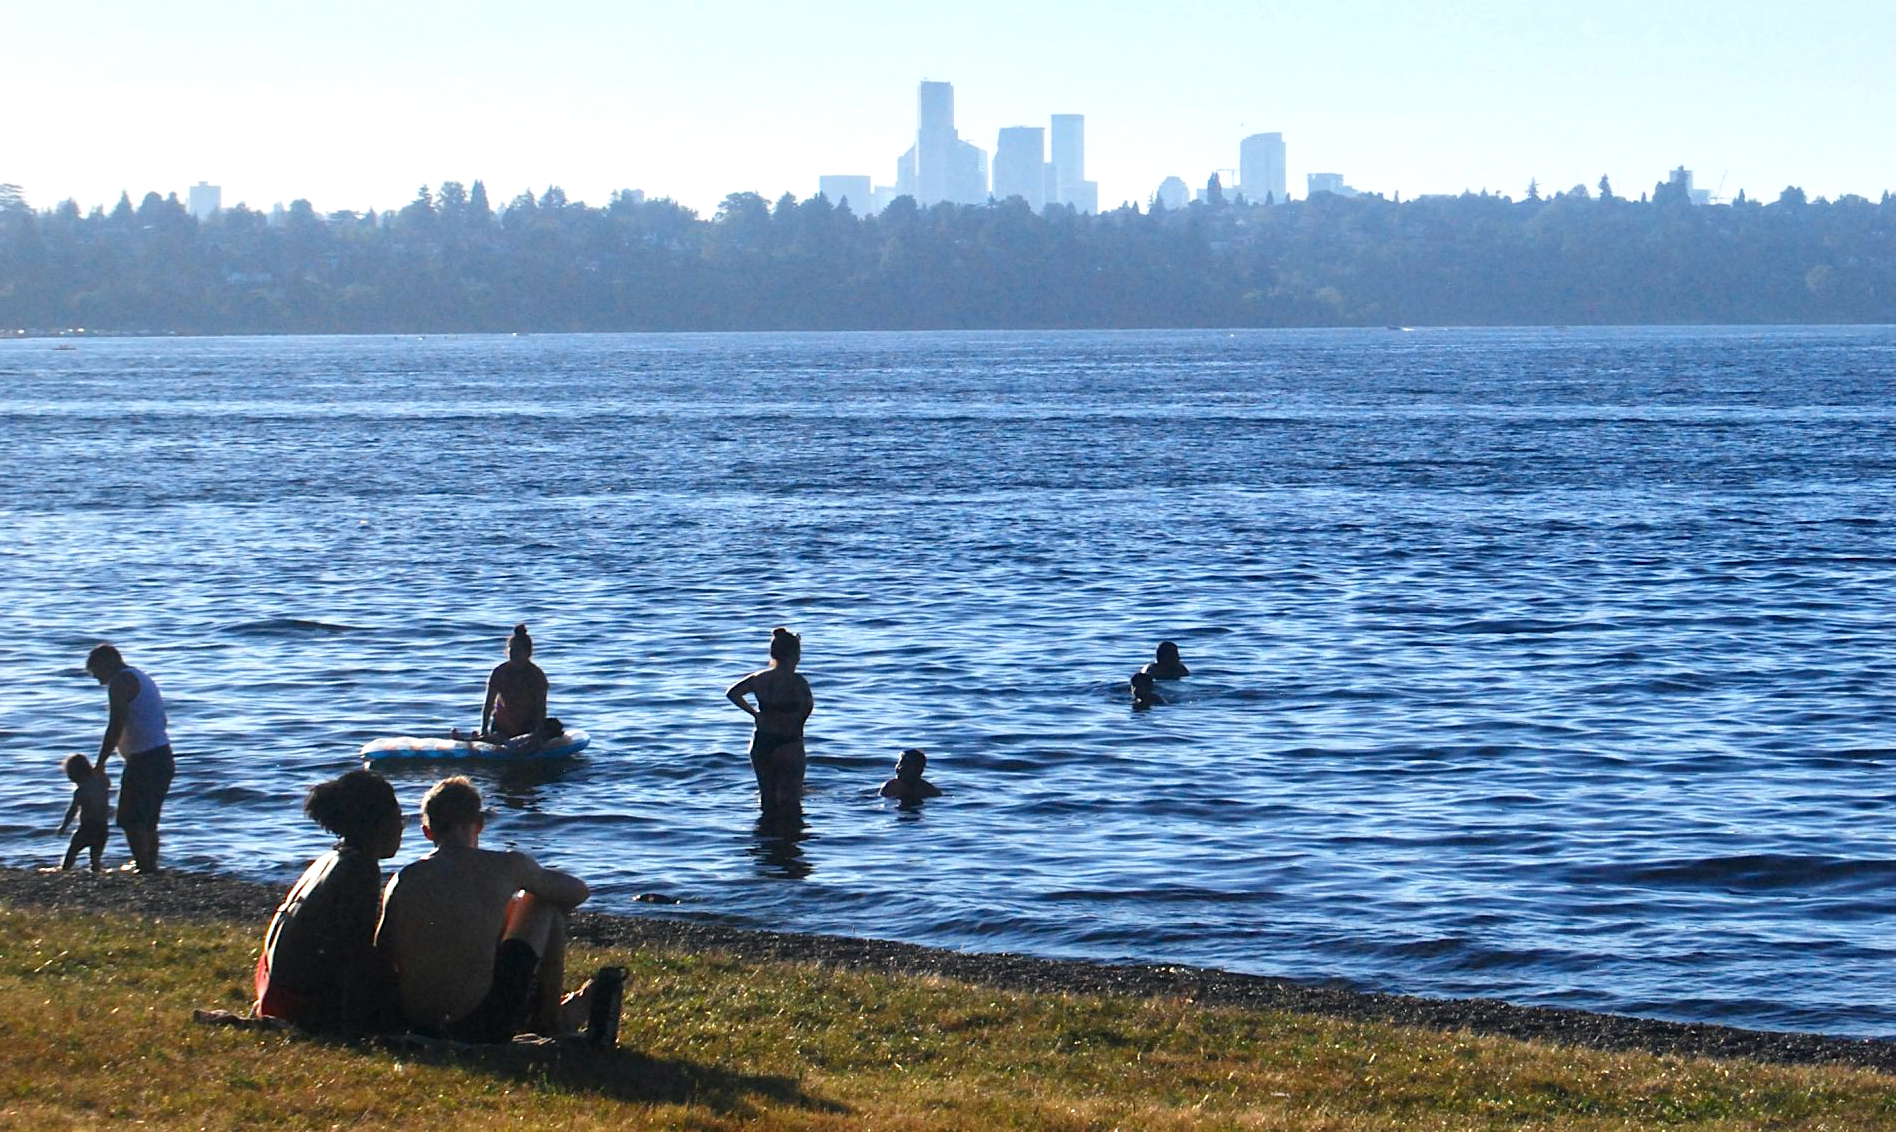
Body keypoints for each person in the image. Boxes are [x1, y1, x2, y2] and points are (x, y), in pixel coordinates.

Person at [375, 776, 615, 1043]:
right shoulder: (505, 866)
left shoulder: (402, 878)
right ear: (479, 824)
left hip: (418, 1021)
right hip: (481, 1023)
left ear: (427, 832)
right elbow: (577, 892)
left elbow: (382, 950)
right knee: (541, 900)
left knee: (505, 908)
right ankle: (551, 1019)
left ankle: (551, 1013)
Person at [255, 770, 405, 1033]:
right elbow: (355, 954)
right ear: (377, 823)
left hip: (271, 984)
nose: (402, 826)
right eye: (398, 817)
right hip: (294, 1003)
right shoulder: (360, 869)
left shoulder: (331, 859)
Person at [85, 643, 172, 873]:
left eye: (97, 674)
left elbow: (116, 724)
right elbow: (161, 720)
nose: (99, 682)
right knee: (148, 818)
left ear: (108, 662)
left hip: (145, 759)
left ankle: (145, 867)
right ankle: (150, 864)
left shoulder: (120, 682)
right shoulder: (142, 676)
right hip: (162, 754)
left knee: (130, 819)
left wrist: (101, 762)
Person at [725, 627, 814, 813]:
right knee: (791, 801)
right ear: (796, 655)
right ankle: (788, 837)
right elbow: (806, 708)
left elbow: (732, 693)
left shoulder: (760, 678)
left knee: (767, 799)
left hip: (762, 741)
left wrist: (755, 713)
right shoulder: (798, 682)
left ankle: (766, 837)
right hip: (788, 742)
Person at [480, 624, 549, 741]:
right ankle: (477, 739)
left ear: (528, 653)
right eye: (511, 649)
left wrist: (537, 733)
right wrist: (484, 729)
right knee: (497, 738)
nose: (513, 653)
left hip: (527, 727)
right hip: (502, 727)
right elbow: (489, 704)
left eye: (518, 650)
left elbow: (541, 708)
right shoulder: (499, 672)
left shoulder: (536, 676)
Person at [56, 753, 110, 871]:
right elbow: (107, 782)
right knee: (95, 857)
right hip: (102, 828)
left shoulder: (80, 792)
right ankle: (96, 871)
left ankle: (65, 870)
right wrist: (100, 769)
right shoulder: (102, 783)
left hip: (87, 828)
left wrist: (64, 826)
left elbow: (73, 810)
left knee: (72, 852)